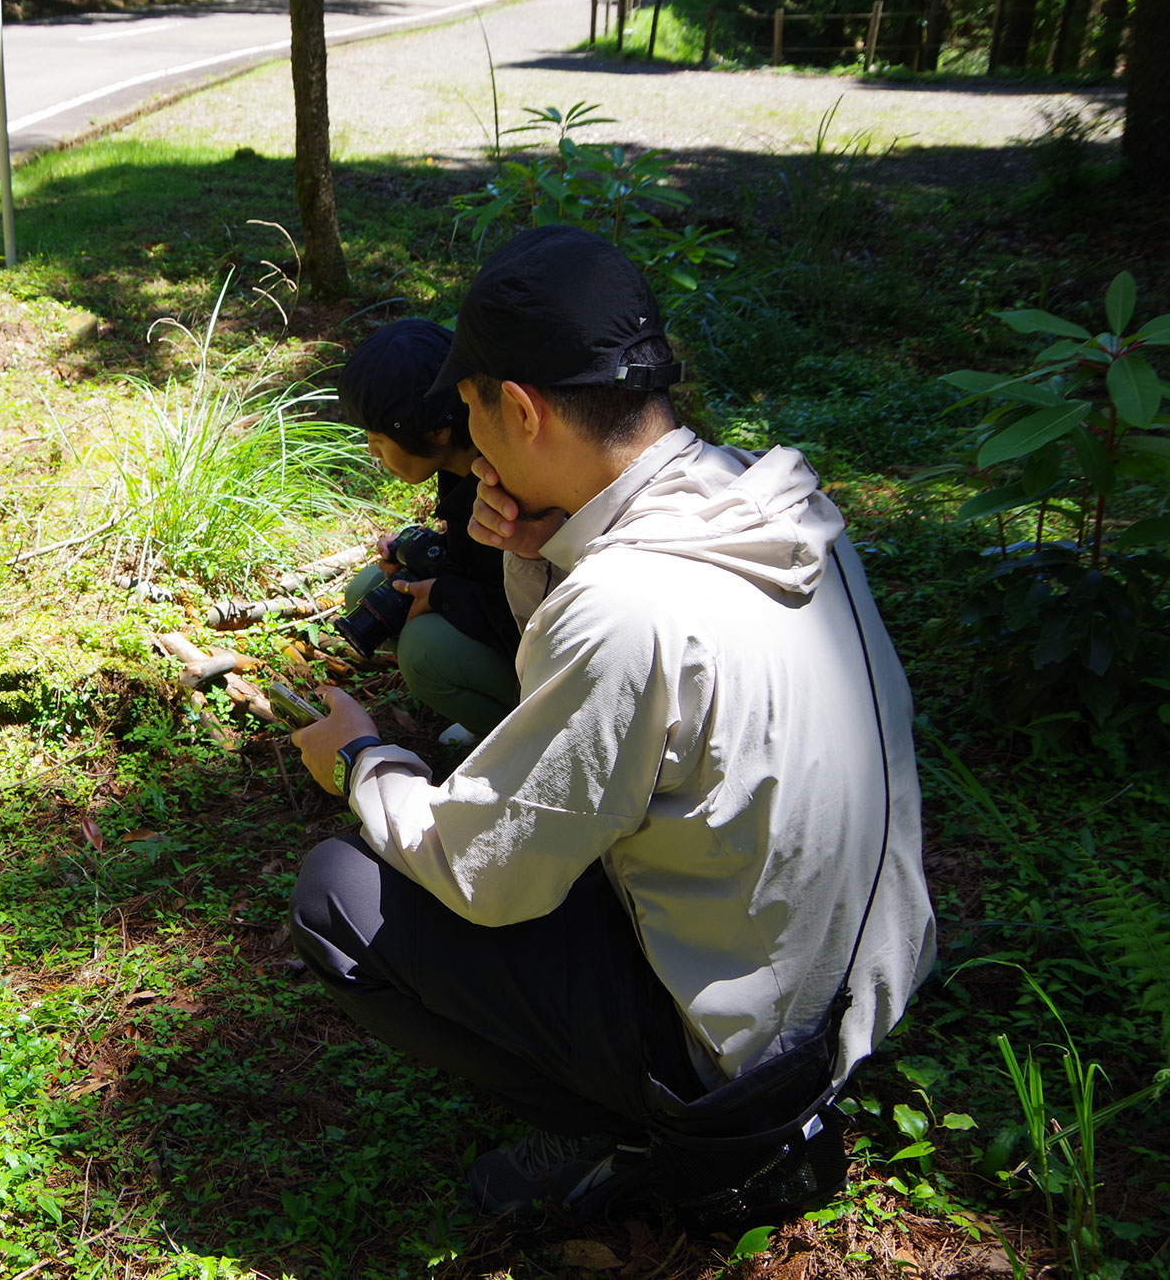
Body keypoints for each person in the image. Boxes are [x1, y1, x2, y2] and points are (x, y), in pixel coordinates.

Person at [288, 226, 936, 1221]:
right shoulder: (764, 500)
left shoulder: (625, 607)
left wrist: (363, 760)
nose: (470, 440)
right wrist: (534, 553)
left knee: (338, 894)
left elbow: (487, 871)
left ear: (518, 409)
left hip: (746, 1066)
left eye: (469, 412)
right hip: (860, 986)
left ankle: (648, 1139)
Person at [335, 318, 519, 740]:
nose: (372, 452)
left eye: (380, 440)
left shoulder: (510, 486)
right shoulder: (459, 462)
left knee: (422, 650)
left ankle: (525, 746)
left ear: (437, 429)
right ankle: (488, 699)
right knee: (367, 593)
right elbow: (480, 563)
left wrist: (442, 593)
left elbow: (530, 614)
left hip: (543, 655)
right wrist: (418, 553)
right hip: (495, 615)